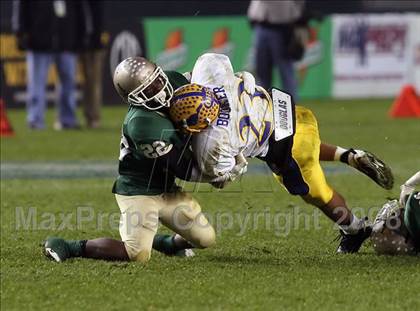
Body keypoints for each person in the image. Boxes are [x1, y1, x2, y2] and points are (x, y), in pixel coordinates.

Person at [169, 53, 394, 253]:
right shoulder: (208, 74)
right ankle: (348, 155)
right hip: (290, 112)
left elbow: (221, 178)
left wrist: (232, 161)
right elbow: (217, 59)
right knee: (302, 141)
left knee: (318, 196)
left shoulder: (212, 141)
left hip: (289, 148)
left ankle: (354, 229)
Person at [44, 57, 218, 263]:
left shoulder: (172, 81)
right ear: (135, 98)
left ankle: (167, 244)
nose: (159, 89)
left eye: (157, 81)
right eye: (149, 89)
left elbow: (206, 87)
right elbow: (181, 167)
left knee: (206, 239)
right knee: (137, 254)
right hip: (139, 190)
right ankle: (69, 246)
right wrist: (218, 173)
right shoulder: (142, 123)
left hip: (166, 186)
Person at [12, 0, 82, 129]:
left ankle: (67, 119)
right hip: (39, 41)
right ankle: (35, 119)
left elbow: (79, 9)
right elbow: (21, 7)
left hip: (66, 41)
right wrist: (19, 32)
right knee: (36, 83)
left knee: (68, 82)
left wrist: (79, 36)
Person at [248, 0, 306, 100]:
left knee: (286, 70)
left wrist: (298, 18)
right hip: (260, 25)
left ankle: (292, 107)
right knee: (262, 72)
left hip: (282, 28)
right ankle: (260, 106)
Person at [80, 0, 105, 129]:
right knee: (66, 81)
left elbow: (99, 18)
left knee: (94, 83)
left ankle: (93, 117)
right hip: (75, 44)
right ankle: (66, 118)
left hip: (94, 45)